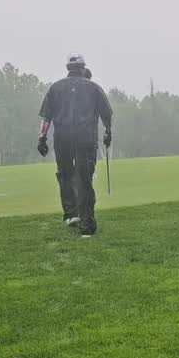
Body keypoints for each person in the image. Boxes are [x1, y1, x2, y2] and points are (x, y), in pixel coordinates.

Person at [37, 54, 113, 237]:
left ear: (68, 68)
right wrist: (108, 133)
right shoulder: (94, 87)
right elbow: (107, 115)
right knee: (84, 178)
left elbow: (46, 118)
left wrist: (42, 138)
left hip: (62, 137)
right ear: (82, 67)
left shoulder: (55, 88)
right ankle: (87, 225)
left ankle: (71, 213)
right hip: (86, 137)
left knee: (64, 174)